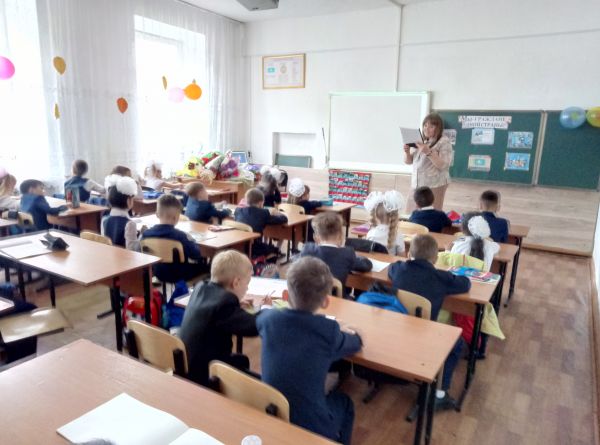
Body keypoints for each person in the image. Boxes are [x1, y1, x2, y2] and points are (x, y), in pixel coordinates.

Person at [257, 257, 362, 444]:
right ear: (326, 302)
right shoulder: (328, 331)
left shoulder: (268, 320)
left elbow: (265, 316)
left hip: (271, 409)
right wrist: (344, 330)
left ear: (286, 295)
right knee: (345, 403)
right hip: (310, 424)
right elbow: (355, 343)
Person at [388, 234, 471, 409]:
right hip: (424, 334)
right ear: (435, 258)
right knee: (457, 344)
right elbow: (465, 284)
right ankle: (439, 393)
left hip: (396, 326)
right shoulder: (441, 277)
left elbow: (391, 268)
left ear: (409, 253)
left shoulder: (399, 269)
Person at [179, 250, 267, 386]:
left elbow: (215, 310)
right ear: (236, 283)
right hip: (205, 376)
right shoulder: (225, 304)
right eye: (247, 283)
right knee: (263, 385)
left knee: (241, 360)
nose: (247, 288)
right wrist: (267, 309)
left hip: (187, 365)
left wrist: (236, 305)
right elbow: (254, 326)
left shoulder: (201, 287)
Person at [301, 212, 372, 296]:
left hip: (311, 298)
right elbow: (366, 266)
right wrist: (360, 257)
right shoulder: (347, 253)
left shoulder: (307, 249)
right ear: (341, 236)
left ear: (315, 237)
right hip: (338, 299)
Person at [141, 194, 208, 281]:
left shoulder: (146, 234)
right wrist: (192, 241)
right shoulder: (180, 236)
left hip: (158, 273)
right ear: (176, 218)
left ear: (157, 214)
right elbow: (195, 254)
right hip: (181, 275)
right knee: (207, 267)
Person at [403, 113, 453, 211]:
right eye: (425, 125)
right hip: (417, 183)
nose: (427, 129)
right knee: (409, 211)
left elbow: (443, 165)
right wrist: (407, 152)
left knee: (431, 212)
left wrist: (428, 152)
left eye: (431, 126)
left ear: (438, 128)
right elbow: (408, 161)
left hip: (435, 184)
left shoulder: (444, 141)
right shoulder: (422, 140)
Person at [234, 188, 287, 258]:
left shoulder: (238, 210)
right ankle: (263, 263)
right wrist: (277, 213)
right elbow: (283, 219)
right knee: (275, 250)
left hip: (238, 245)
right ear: (260, 203)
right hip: (254, 247)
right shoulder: (263, 213)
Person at [101, 176, 139, 250]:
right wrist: (141, 236)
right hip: (124, 257)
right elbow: (132, 250)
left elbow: (105, 242)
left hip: (108, 255)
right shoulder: (130, 224)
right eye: (132, 198)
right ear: (128, 201)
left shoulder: (104, 219)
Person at [364, 190, 406, 256]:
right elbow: (402, 257)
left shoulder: (371, 234)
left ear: (376, 216)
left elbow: (368, 253)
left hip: (374, 262)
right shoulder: (398, 235)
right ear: (395, 216)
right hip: (391, 263)